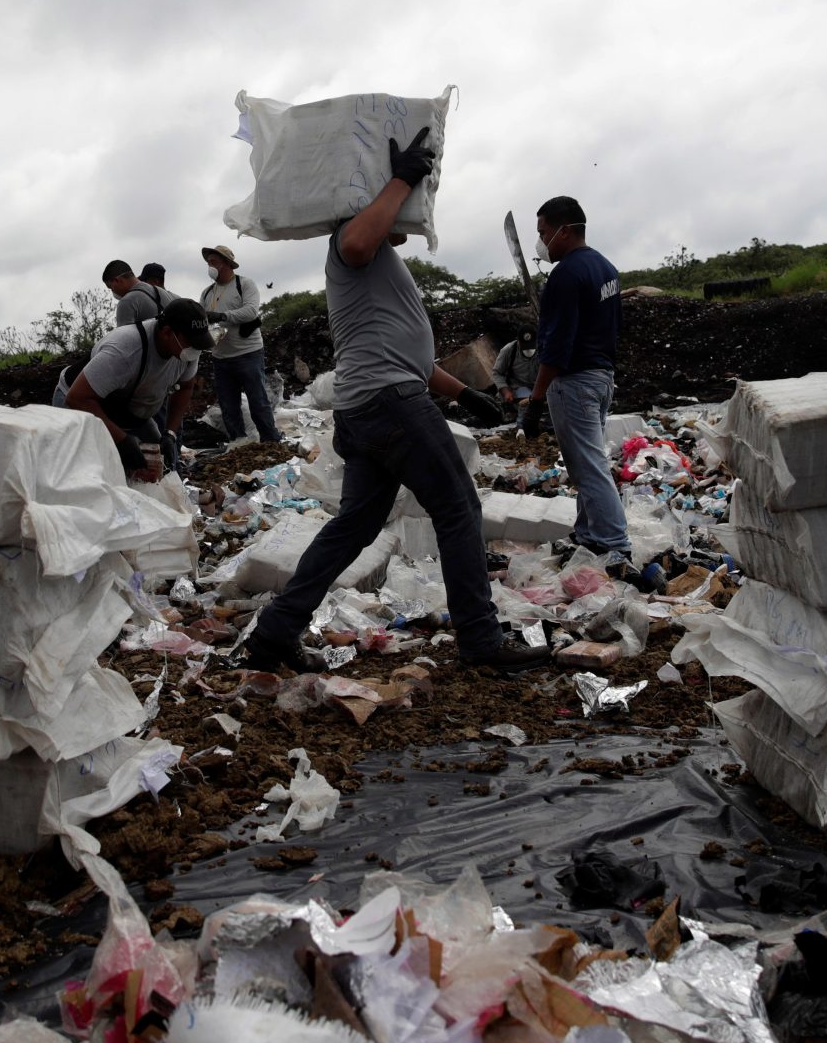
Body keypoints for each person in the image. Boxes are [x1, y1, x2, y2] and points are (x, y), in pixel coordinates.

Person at [244, 128, 539, 673]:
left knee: (354, 527)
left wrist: (466, 394)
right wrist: (401, 177)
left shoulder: (377, 265)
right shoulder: (351, 244)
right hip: (389, 404)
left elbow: (408, 356)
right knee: (458, 508)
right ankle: (480, 641)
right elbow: (359, 241)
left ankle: (275, 631)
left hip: (366, 410)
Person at [519, 197, 629, 565]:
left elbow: (556, 347)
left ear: (564, 231)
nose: (541, 241)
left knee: (589, 468)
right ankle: (589, 536)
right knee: (587, 464)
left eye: (543, 232)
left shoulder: (565, 275)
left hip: (576, 382)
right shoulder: (606, 268)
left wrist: (536, 400)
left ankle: (615, 545)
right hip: (602, 377)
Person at [54, 299, 213, 481]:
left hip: (128, 410)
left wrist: (170, 434)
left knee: (157, 467)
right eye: (191, 342)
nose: (196, 349)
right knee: (90, 474)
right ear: (167, 332)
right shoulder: (126, 350)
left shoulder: (187, 350)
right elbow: (77, 398)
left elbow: (185, 387)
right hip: (81, 403)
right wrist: (121, 439)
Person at [199, 243, 282, 444]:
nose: (210, 266)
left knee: (258, 401)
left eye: (214, 262)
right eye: (208, 262)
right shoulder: (207, 293)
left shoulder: (244, 285)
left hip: (248, 353)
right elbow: (202, 317)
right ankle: (239, 443)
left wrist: (221, 316)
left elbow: (251, 311)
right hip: (221, 358)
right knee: (228, 406)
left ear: (227, 263)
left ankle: (271, 442)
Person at [105, 259, 174, 326]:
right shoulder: (173, 297)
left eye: (111, 287)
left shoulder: (127, 301)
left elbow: (123, 333)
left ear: (117, 280)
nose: (113, 291)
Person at [491, 332, 539, 410]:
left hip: (538, 385)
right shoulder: (508, 350)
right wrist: (506, 391)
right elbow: (497, 373)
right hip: (518, 386)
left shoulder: (542, 347)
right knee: (528, 407)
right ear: (518, 341)